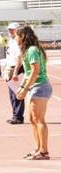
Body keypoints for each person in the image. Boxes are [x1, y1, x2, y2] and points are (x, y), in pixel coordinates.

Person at [15, 26, 52, 160]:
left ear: (23, 36)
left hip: (40, 86)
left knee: (39, 119)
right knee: (32, 119)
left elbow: (35, 71)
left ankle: (44, 151)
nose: (15, 39)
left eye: (16, 36)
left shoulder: (32, 50)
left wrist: (25, 88)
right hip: (35, 87)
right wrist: (22, 86)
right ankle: (38, 148)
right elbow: (28, 73)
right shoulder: (29, 50)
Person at [4, 23, 24, 124]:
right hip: (10, 68)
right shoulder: (11, 41)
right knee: (12, 94)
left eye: (12, 30)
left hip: (16, 68)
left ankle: (18, 116)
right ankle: (15, 115)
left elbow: (19, 58)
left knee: (17, 94)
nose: (10, 31)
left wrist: (16, 71)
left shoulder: (18, 42)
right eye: (9, 30)